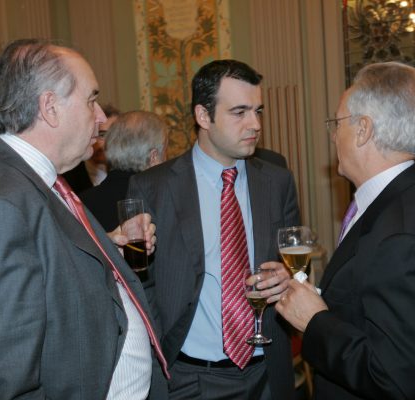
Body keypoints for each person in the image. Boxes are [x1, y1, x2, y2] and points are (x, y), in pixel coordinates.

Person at [0, 38, 168, 399]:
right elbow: (8, 377)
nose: (100, 118)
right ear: (50, 107)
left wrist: (108, 247)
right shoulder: (2, 202)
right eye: (90, 100)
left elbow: (46, 267)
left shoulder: (37, 179)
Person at [128, 59, 300, 399]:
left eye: (257, 111)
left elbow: (295, 264)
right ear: (203, 116)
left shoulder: (277, 181)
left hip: (268, 373)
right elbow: (140, 283)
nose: (255, 124)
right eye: (239, 112)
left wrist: (290, 277)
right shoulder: (153, 187)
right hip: (189, 378)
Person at [276, 61, 415, 399]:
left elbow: (398, 379)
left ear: (363, 129)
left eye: (337, 123)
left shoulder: (400, 236)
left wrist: (315, 323)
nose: (333, 135)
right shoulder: (411, 199)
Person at [80, 110, 169, 231]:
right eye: (165, 151)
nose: (166, 158)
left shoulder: (80, 204)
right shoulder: (164, 201)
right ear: (153, 157)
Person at [63, 103, 120, 192]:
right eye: (102, 135)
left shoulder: (127, 174)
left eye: (115, 135)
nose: (109, 142)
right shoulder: (69, 176)